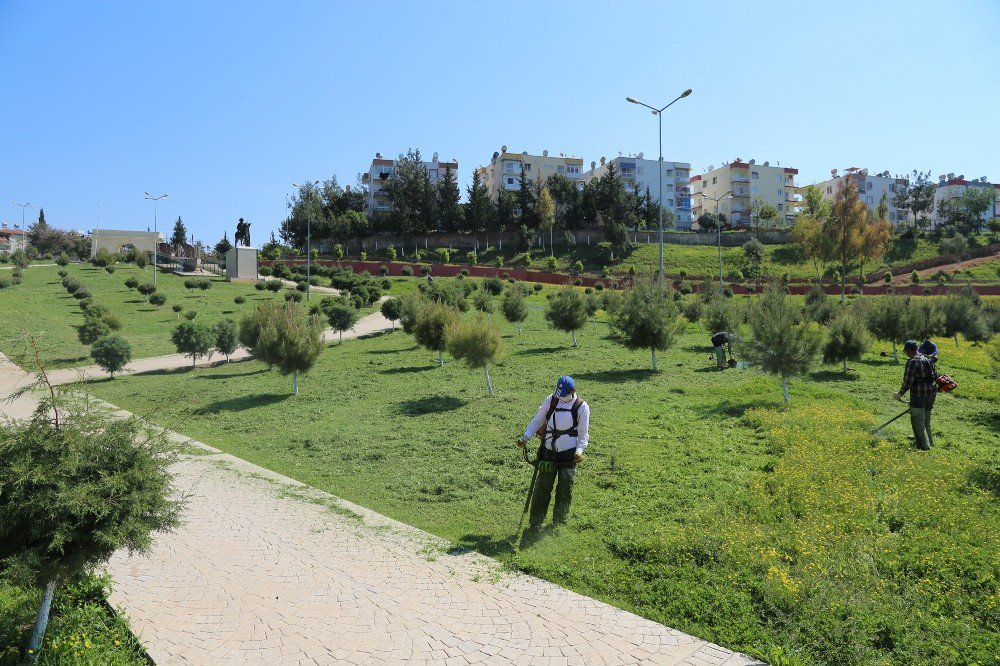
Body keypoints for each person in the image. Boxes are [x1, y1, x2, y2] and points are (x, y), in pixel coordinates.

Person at [516, 375, 590, 533]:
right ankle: (535, 523)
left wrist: (579, 451)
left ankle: (558, 523)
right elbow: (537, 420)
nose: (561, 398)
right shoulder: (551, 400)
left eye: (564, 395)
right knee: (542, 487)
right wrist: (525, 437)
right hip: (548, 452)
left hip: (569, 455)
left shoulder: (582, 407)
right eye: (559, 394)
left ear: (573, 391)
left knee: (565, 489)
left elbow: (583, 435)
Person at [895, 339, 937, 450]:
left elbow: (908, 382)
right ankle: (930, 442)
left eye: (906, 351)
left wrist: (900, 394)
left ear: (909, 350)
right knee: (926, 421)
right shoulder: (927, 359)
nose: (906, 354)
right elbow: (935, 377)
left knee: (918, 422)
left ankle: (924, 447)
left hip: (919, 395)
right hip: (931, 394)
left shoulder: (912, 362)